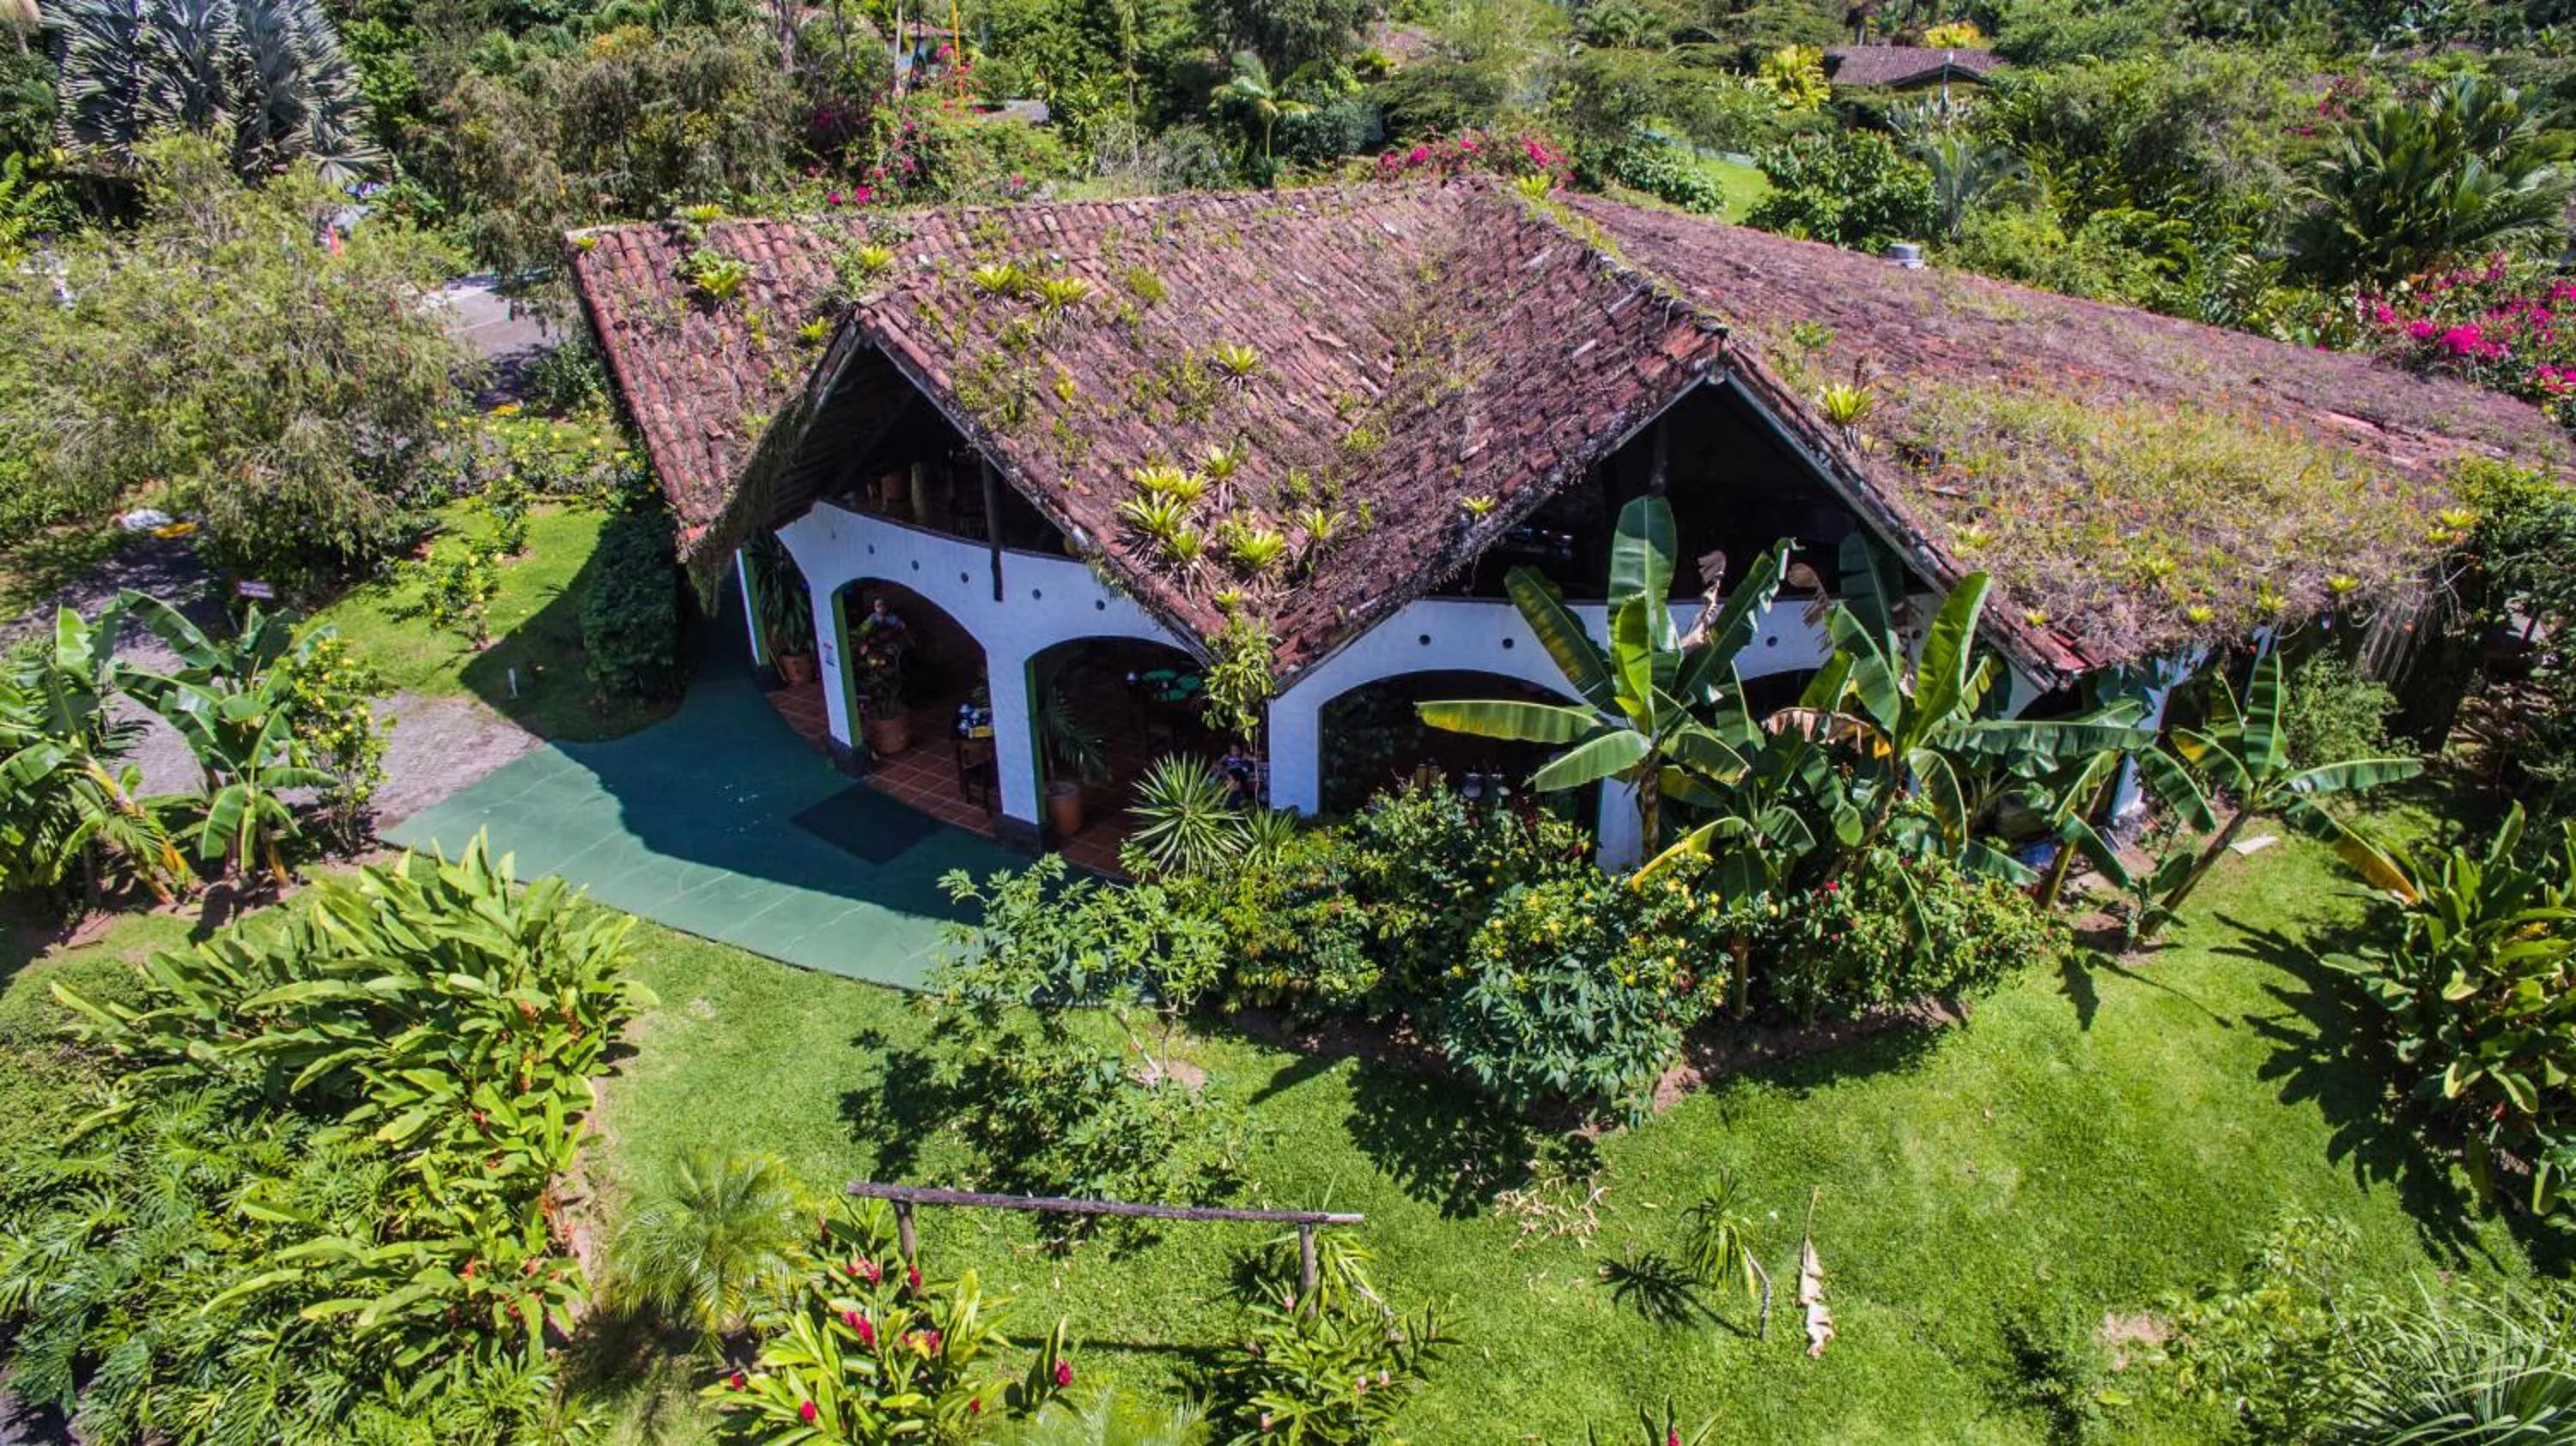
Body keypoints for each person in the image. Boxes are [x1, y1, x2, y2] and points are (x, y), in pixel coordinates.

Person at [1218, 740, 1259, 807]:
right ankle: (1227, 794)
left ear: (1239, 749)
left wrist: (1254, 758)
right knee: (1229, 775)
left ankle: (1233, 790)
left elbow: (1252, 759)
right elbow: (1219, 762)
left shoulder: (1243, 755)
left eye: (1236, 749)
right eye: (1233, 749)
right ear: (1230, 750)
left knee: (1236, 774)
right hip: (1230, 771)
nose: (1235, 751)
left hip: (1239, 771)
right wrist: (1222, 768)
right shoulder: (1227, 756)